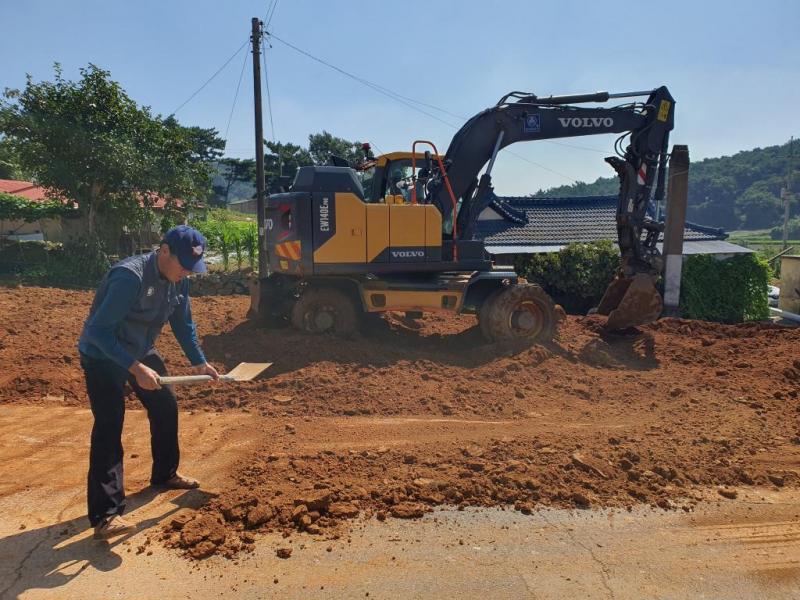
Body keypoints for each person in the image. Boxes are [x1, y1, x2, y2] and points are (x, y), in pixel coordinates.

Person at [78, 225, 219, 540]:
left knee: (165, 406)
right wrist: (135, 368)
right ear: (164, 251)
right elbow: (98, 332)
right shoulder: (130, 277)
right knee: (109, 426)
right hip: (103, 354)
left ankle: (165, 473)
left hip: (139, 349)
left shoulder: (178, 281)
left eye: (191, 267)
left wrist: (199, 361)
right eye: (183, 264)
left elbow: (183, 323)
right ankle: (106, 515)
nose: (186, 272)